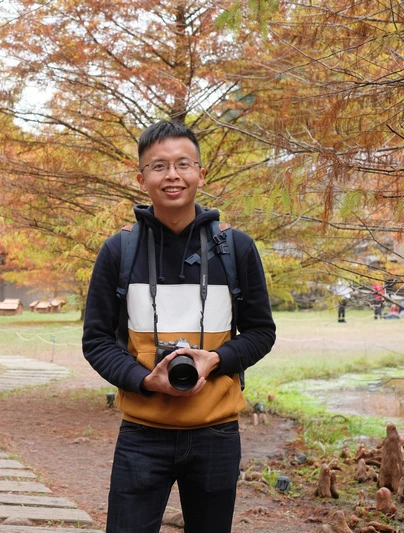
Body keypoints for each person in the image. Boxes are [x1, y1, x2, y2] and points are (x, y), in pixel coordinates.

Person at [82, 121, 276, 533]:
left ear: (201, 174)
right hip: (142, 435)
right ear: (141, 179)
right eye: (159, 166)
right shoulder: (119, 250)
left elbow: (261, 332)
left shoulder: (235, 248)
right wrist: (144, 380)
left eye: (183, 164)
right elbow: (96, 340)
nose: (172, 175)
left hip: (216, 434)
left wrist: (216, 360)